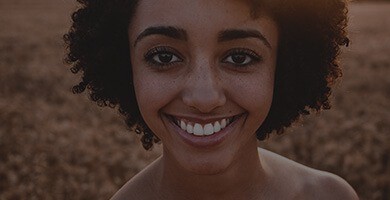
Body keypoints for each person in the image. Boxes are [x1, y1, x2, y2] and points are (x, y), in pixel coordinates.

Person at [64, 0, 358, 199]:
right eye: (164, 56)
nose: (204, 98)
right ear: (125, 65)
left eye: (239, 57)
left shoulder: (329, 195)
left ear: (282, 66)